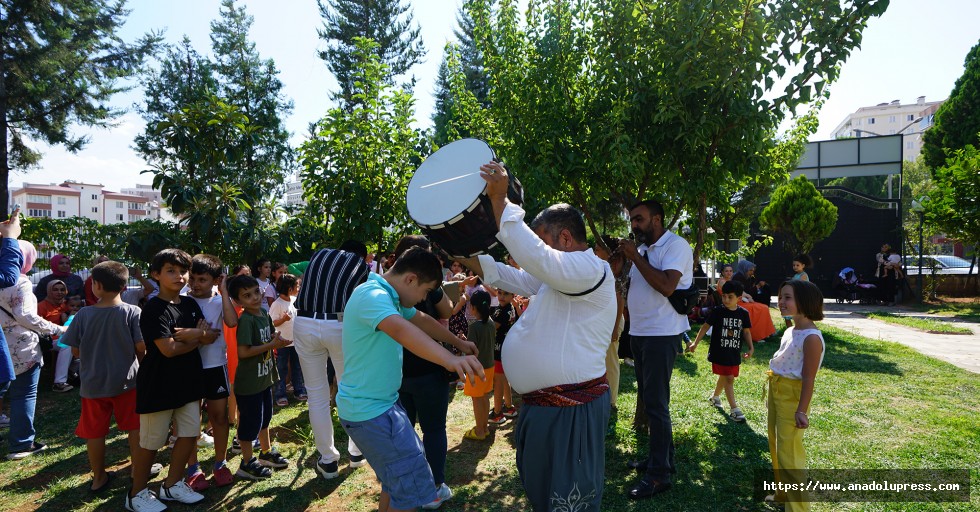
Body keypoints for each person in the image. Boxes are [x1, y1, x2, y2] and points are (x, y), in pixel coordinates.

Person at [459, 162, 615, 511]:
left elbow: (536, 258)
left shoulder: (591, 269)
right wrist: (463, 253)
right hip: (546, 408)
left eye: (542, 239)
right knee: (546, 494)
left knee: (569, 500)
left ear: (563, 238)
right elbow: (508, 276)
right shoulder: (561, 276)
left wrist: (502, 201)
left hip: (570, 410)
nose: (536, 251)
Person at [338, 246, 483, 512]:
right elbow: (402, 330)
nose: (421, 299)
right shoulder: (373, 296)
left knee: (398, 483)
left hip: (382, 407)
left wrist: (457, 344)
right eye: (426, 291)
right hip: (372, 412)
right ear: (410, 279)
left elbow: (421, 319)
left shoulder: (388, 296)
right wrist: (450, 360)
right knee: (411, 489)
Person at [129, 248, 215, 512]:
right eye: (171, 271)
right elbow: (168, 350)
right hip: (158, 385)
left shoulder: (189, 304)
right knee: (151, 443)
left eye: (183, 271)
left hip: (189, 383)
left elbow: (209, 335)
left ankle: (172, 484)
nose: (179, 276)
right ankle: (136, 494)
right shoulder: (154, 309)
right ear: (156, 274)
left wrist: (194, 335)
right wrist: (196, 337)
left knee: (189, 435)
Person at [619, 199, 692, 499]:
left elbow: (666, 286)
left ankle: (659, 475)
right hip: (641, 333)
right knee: (653, 401)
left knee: (656, 405)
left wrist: (635, 257)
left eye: (639, 219)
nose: (634, 225)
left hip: (662, 335)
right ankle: (663, 458)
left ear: (657, 219)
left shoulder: (676, 246)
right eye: (632, 220)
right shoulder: (646, 251)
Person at [60, 261, 144, 499]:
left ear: (95, 286)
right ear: (125, 286)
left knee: (95, 432)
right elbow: (141, 347)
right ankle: (137, 471)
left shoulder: (84, 314)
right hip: (128, 383)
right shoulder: (132, 311)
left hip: (93, 384)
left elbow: (74, 350)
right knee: (134, 428)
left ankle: (98, 477)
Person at [292, 240, 370, 479]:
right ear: (363, 256)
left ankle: (328, 461)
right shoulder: (362, 266)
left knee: (316, 394)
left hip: (304, 322)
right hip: (339, 324)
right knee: (350, 388)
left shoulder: (319, 255)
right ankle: (356, 453)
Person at [391, 235, 457, 510]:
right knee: (431, 429)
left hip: (399, 372)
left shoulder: (386, 291)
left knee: (404, 433)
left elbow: (421, 318)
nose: (422, 296)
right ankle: (434, 486)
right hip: (425, 371)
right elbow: (444, 312)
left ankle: (415, 485)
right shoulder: (388, 295)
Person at [1, 240, 67, 460]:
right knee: (23, 394)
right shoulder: (20, 282)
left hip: (2, 345)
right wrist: (58, 329)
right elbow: (26, 316)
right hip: (21, 347)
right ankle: (21, 443)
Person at [224, 274, 290, 480]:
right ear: (238, 301)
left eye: (255, 292)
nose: (253, 297)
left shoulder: (263, 312)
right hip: (250, 382)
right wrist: (272, 345)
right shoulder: (246, 320)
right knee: (250, 423)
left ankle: (265, 452)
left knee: (265, 418)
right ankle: (246, 462)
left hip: (264, 378)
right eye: (246, 295)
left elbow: (271, 335)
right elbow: (243, 352)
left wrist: (278, 340)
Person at [767, 280, 826, 511]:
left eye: (788, 297)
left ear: (805, 302)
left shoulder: (811, 337)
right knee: (776, 444)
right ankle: (783, 494)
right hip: (777, 389)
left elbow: (809, 378)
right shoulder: (791, 329)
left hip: (793, 395)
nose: (781, 302)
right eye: (780, 297)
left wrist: (801, 410)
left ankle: (798, 508)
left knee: (790, 453)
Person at [183, 254, 234, 489]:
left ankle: (220, 463)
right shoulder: (181, 300)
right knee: (190, 421)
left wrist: (224, 292)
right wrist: (199, 335)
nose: (195, 284)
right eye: (192, 278)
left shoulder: (218, 302)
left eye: (202, 279)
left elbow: (232, 322)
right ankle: (192, 467)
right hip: (189, 369)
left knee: (220, 417)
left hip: (215, 367)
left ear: (215, 280)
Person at [687, 280, 754, 422]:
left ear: (739, 299)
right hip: (720, 351)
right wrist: (695, 343)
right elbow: (705, 327)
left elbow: (746, 332)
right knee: (729, 378)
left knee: (725, 376)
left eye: (730, 297)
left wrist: (751, 346)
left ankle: (715, 397)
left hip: (733, 352)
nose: (726, 299)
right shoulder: (718, 311)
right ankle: (734, 409)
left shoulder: (743, 313)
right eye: (724, 296)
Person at [594, 235, 628, 421]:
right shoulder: (602, 269)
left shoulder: (615, 273)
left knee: (611, 361)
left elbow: (619, 300)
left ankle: (611, 401)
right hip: (603, 321)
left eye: (598, 248)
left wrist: (615, 327)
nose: (594, 252)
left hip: (612, 321)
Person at [462, 290, 495, 441]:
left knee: (476, 399)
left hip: (476, 369)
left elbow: (470, 350)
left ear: (474, 308)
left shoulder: (474, 327)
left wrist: (462, 341)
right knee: (484, 397)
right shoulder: (491, 323)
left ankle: (479, 431)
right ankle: (485, 427)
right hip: (489, 367)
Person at [271, 273, 306, 406]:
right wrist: (283, 320)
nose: (299, 287)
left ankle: (299, 390)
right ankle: (280, 394)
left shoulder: (294, 300)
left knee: (297, 367)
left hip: (295, 341)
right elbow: (272, 323)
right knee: (282, 368)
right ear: (289, 288)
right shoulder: (277, 304)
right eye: (297, 285)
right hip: (282, 342)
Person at [487, 289, 520, 426]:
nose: (501, 296)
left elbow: (493, 327)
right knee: (504, 379)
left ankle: (497, 413)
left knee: (498, 381)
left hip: (499, 349)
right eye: (500, 293)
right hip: (506, 349)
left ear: (513, 295)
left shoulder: (504, 310)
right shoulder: (509, 307)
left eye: (506, 293)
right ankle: (509, 407)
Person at [37, 279, 73, 393]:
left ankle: (75, 373)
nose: (59, 292)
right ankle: (59, 383)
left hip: (65, 337)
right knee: (68, 345)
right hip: (48, 340)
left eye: (62, 289)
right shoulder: (41, 306)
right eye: (55, 290)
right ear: (49, 291)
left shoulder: (66, 305)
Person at [732, 260, 777, 342]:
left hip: (745, 300)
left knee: (764, 307)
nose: (752, 272)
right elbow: (743, 292)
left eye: (753, 270)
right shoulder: (738, 277)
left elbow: (749, 292)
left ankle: (765, 332)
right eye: (750, 270)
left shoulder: (747, 277)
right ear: (744, 269)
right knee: (759, 309)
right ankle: (757, 335)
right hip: (738, 302)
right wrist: (757, 286)